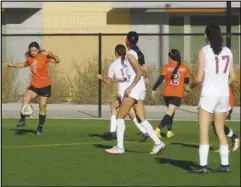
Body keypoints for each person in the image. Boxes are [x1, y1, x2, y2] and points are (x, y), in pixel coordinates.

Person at [105, 31, 165, 155]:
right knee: (142, 119)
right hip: (140, 88)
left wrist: (130, 87)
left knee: (120, 116)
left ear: (127, 40)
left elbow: (139, 72)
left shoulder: (130, 55)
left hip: (135, 89)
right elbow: (142, 70)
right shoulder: (134, 53)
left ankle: (120, 147)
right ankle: (158, 143)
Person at [187, 24, 235, 173]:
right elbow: (233, 77)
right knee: (220, 130)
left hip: (209, 94)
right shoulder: (228, 51)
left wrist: (189, 87)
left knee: (203, 130)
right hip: (223, 94)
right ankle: (225, 165)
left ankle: (202, 166)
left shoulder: (204, 51)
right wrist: (221, 84)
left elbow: (199, 78)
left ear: (207, 35)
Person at [6, 42, 60, 135]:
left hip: (45, 85)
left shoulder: (44, 56)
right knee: (26, 97)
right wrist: (11, 65)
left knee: (42, 106)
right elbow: (23, 65)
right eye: (31, 50)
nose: (33, 52)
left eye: (35, 50)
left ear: (38, 50)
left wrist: (52, 54)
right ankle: (22, 119)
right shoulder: (30, 58)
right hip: (34, 84)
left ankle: (39, 128)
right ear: (29, 51)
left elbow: (58, 60)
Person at [97, 44, 149, 142]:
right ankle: (113, 131)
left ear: (116, 52)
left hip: (123, 90)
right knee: (115, 106)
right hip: (132, 88)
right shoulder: (128, 60)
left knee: (128, 112)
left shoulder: (114, 64)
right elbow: (142, 69)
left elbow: (109, 81)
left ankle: (143, 132)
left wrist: (100, 77)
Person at [152, 49, 190, 138]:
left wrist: (154, 88)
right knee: (169, 113)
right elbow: (187, 81)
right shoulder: (184, 67)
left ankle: (169, 131)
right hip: (177, 94)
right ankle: (157, 130)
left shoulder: (167, 67)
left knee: (171, 113)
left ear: (170, 57)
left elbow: (161, 78)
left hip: (167, 93)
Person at [212, 84, 239, 152]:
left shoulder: (223, 79)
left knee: (217, 124)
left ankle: (234, 138)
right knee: (216, 124)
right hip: (222, 102)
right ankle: (230, 141)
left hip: (226, 103)